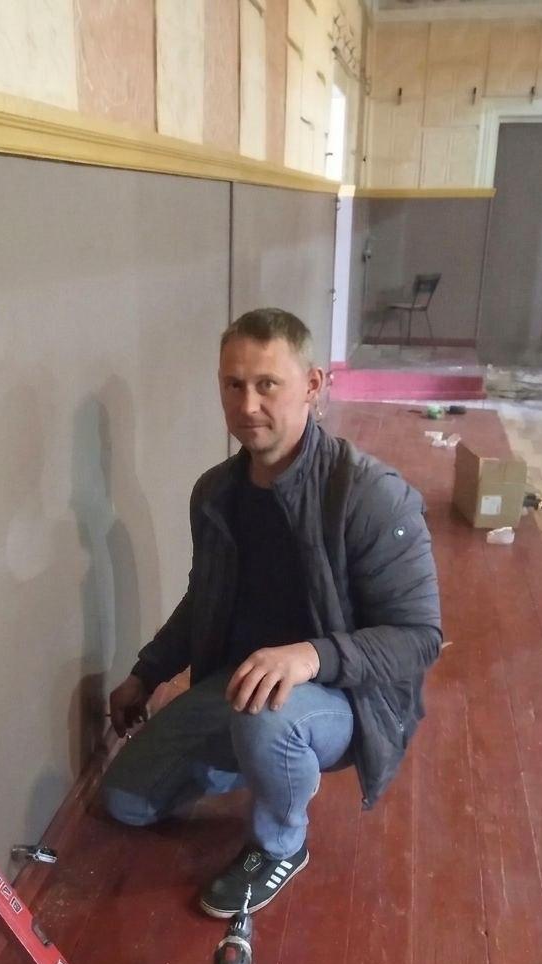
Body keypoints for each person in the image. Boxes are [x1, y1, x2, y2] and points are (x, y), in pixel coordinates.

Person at [102, 308, 441, 917]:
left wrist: (311, 656)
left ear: (312, 385)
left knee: (266, 718)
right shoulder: (216, 493)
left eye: (267, 385)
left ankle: (281, 844)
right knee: (126, 801)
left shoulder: (370, 495)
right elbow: (202, 597)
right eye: (233, 385)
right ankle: (257, 759)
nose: (248, 405)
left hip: (347, 697)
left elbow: (419, 638)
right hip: (242, 686)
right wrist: (147, 673)